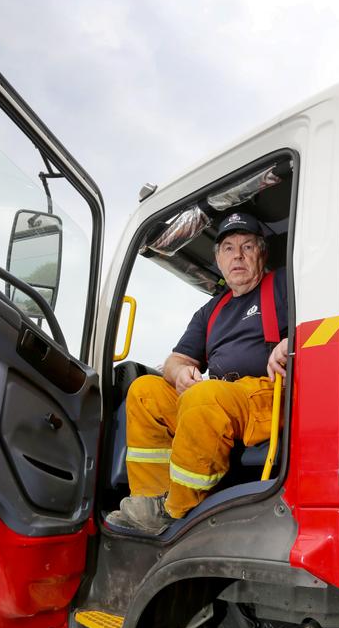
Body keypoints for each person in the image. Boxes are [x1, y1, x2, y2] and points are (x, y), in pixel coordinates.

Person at [107, 211, 289, 535]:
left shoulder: (283, 285)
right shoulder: (211, 310)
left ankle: (179, 511)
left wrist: (292, 341)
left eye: (247, 247)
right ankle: (148, 502)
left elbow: (326, 315)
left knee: (205, 396)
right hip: (216, 398)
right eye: (229, 248)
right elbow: (176, 359)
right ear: (218, 258)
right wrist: (179, 375)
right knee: (144, 391)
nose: (238, 256)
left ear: (262, 253)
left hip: (265, 393)